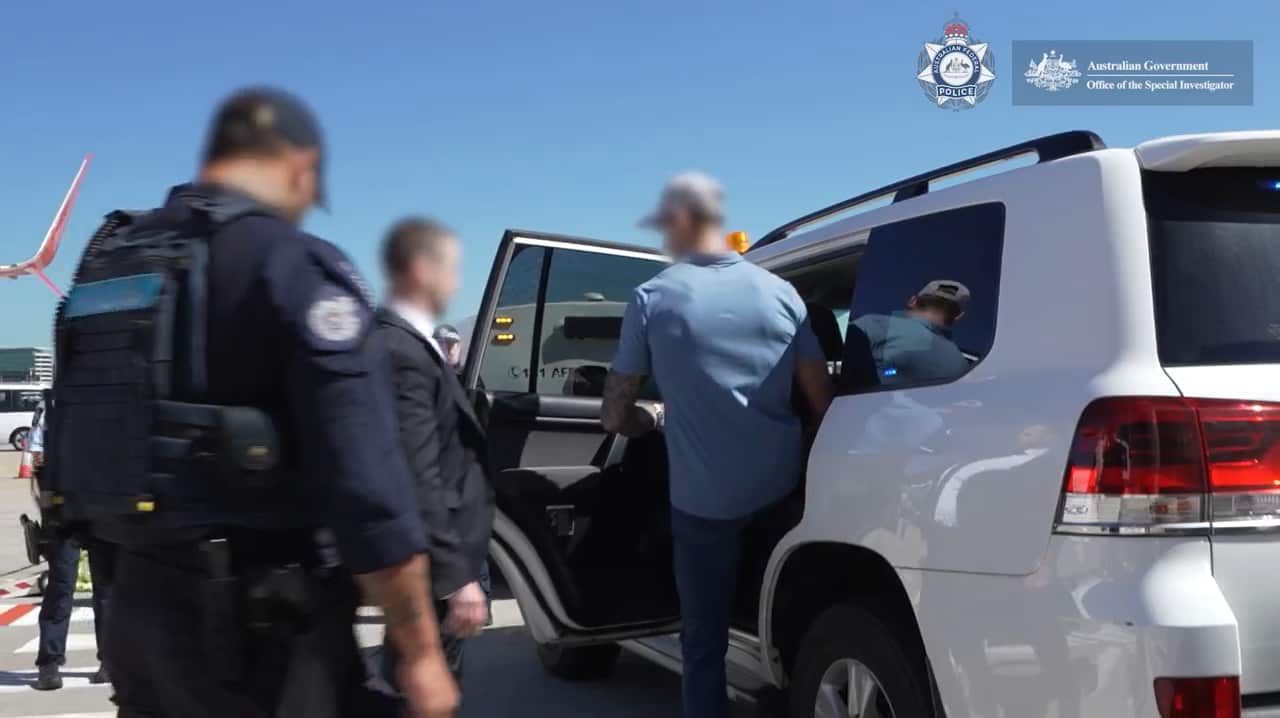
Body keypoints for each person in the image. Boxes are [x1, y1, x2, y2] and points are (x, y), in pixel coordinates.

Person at [57, 88, 457, 718]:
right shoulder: (290, 265)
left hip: (134, 618)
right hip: (261, 635)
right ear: (298, 167)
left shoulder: (112, 260)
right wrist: (421, 652)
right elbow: (369, 492)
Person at [603, 171, 834, 718]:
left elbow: (614, 414)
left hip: (704, 501)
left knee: (702, 641)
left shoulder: (651, 297)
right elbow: (821, 397)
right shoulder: (783, 294)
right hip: (782, 487)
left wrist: (650, 420)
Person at [374, 219, 495, 688]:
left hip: (418, 560)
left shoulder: (397, 341)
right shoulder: (403, 351)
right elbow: (418, 474)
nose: (457, 282)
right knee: (424, 687)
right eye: (452, 269)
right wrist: (455, 579)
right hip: (426, 567)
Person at [27, 405, 113, 691]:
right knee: (81, 588)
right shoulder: (56, 405)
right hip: (83, 512)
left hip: (83, 511)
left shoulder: (54, 404)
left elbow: (37, 461)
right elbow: (37, 458)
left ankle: (59, 665)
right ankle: (58, 663)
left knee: (77, 589)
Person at [851, 279, 971, 387]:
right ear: (958, 317)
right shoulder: (963, 366)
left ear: (912, 301)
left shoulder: (875, 324)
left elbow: (834, 366)